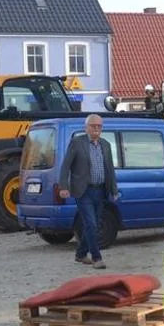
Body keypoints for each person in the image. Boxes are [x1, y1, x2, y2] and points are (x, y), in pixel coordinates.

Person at [58, 114, 118, 269]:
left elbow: (110, 169)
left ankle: (80, 254)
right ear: (86, 127)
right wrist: (63, 187)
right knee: (91, 223)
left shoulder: (105, 145)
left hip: (100, 190)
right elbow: (65, 166)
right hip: (83, 191)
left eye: (99, 126)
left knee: (94, 224)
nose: (96, 129)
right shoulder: (77, 143)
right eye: (93, 126)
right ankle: (97, 258)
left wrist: (114, 189)